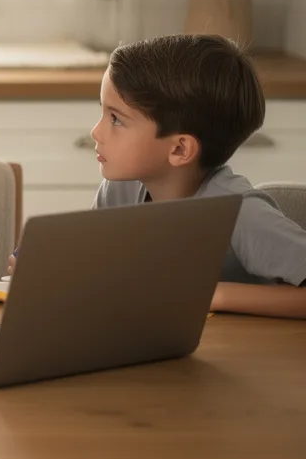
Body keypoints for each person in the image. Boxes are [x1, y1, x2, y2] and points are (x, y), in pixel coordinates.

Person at [86, 34, 306, 317]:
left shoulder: (239, 212)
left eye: (116, 119)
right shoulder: (119, 190)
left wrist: (216, 294)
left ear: (179, 148)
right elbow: (96, 267)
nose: (96, 132)